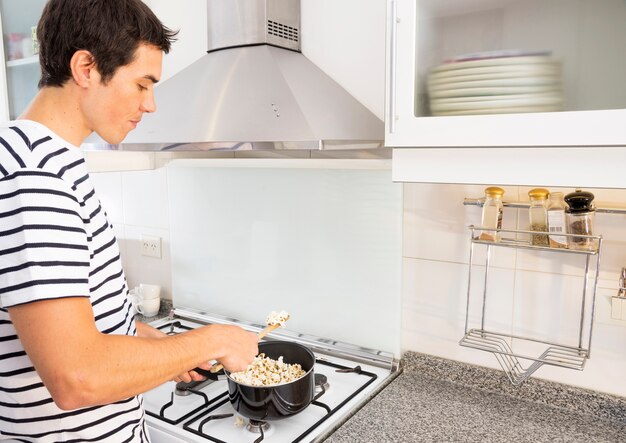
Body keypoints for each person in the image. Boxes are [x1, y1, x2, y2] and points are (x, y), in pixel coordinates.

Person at [0, 0, 258, 441]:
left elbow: (83, 320)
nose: (151, 104)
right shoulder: (36, 179)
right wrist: (213, 340)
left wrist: (157, 346)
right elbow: (77, 376)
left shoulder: (42, 160)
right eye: (142, 84)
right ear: (85, 68)